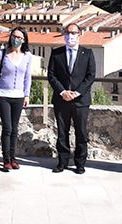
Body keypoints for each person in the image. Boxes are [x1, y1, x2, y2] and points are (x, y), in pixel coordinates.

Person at [47, 23, 97, 174]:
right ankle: (62, 162)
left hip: (80, 101)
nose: (71, 36)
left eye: (74, 33)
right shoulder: (56, 53)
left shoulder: (87, 53)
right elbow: (51, 75)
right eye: (68, 33)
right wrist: (63, 92)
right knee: (62, 132)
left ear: (79, 34)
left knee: (81, 132)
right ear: (64, 34)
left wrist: (76, 93)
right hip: (61, 99)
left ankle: (80, 163)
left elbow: (90, 76)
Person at [0, 27, 32, 172]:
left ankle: (13, 157)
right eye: (14, 36)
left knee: (14, 129)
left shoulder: (27, 56)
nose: (16, 39)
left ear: (24, 40)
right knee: (7, 128)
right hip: (3, 95)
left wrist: (27, 94)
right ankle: (5, 159)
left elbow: (27, 77)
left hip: (18, 96)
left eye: (20, 37)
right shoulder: (2, 54)